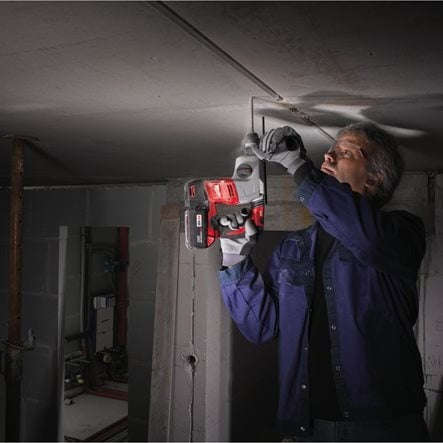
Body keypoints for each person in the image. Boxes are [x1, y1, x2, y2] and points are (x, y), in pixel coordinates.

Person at [217, 122, 430, 442]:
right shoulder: (294, 247)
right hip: (306, 425)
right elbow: (261, 327)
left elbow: (367, 238)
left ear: (374, 179)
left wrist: (297, 165)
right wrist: (234, 258)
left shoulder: (400, 233)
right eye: (331, 150)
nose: (328, 157)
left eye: (346, 152)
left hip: (383, 426)